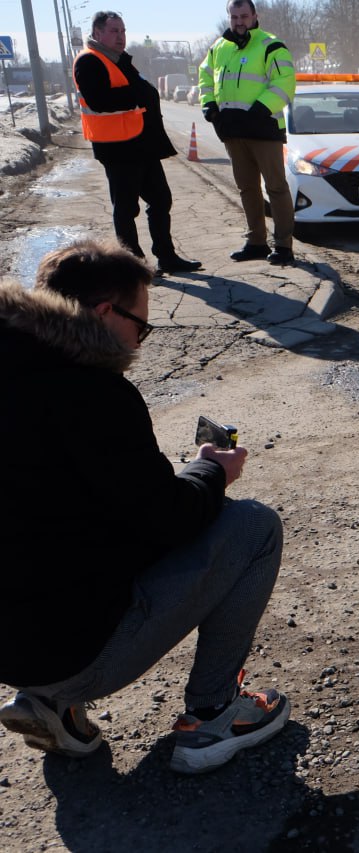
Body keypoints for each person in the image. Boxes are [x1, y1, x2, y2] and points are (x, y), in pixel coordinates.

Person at [0, 240, 289, 774]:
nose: (140, 339)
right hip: (74, 650)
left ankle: (49, 704)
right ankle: (212, 716)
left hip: (14, 645)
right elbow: (168, 521)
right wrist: (211, 471)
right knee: (254, 527)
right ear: (106, 313)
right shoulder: (90, 393)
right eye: (141, 324)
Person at [72, 12, 202, 275]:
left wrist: (143, 95)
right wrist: (139, 95)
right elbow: (99, 100)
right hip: (118, 148)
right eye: (114, 31)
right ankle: (132, 266)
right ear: (97, 34)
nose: (121, 37)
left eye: (123, 31)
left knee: (161, 200)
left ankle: (167, 257)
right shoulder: (89, 61)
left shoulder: (119, 60)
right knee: (126, 208)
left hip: (141, 144)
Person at [198, 0, 296, 265]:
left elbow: (285, 82)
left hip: (264, 129)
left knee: (275, 188)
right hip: (232, 132)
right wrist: (209, 106)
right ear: (228, 17)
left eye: (244, 16)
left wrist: (259, 111)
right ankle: (256, 242)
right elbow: (205, 76)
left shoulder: (270, 45)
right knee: (247, 188)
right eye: (234, 16)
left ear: (254, 15)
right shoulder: (219, 47)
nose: (239, 21)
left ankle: (284, 247)